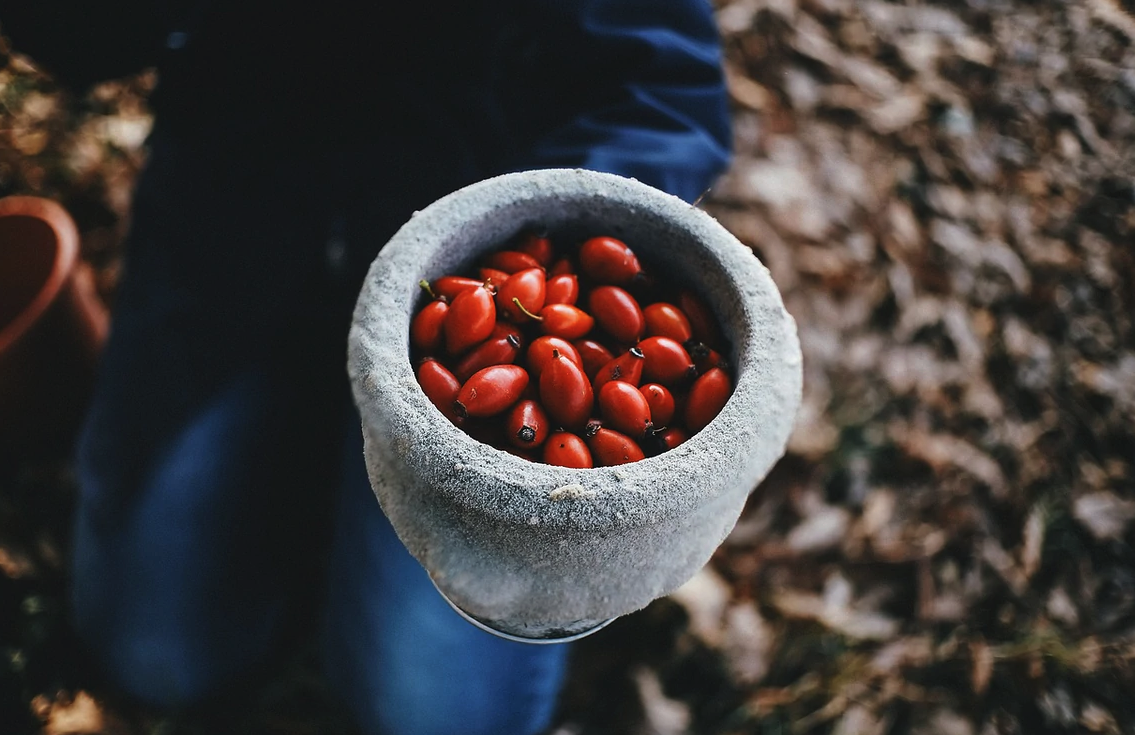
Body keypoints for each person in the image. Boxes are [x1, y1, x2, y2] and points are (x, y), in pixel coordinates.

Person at [1, 2, 732, 733]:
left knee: (434, 713)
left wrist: (542, 245)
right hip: (238, 222)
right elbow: (72, 36)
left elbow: (664, 86)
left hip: (475, 232)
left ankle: (358, 472)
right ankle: (305, 441)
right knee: (154, 649)